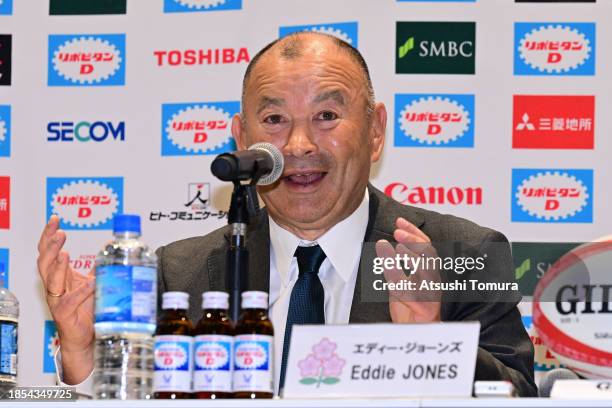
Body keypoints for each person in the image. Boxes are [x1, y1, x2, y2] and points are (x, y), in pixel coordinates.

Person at [36, 32, 537, 397]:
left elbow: (521, 395)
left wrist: (434, 342)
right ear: (241, 138)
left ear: (376, 129)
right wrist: (83, 358)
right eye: (274, 119)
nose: (298, 145)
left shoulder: (462, 253)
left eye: (326, 116)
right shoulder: (178, 272)